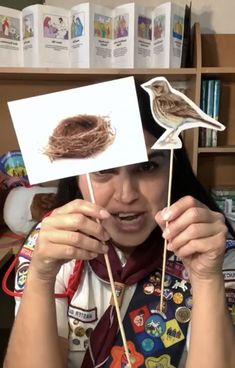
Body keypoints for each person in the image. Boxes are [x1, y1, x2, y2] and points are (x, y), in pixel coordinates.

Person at [3, 82, 235, 368]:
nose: (126, 195)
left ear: (173, 168)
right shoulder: (51, 245)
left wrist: (206, 279)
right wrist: (40, 276)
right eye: (103, 171)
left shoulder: (211, 247)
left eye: (147, 167)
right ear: (76, 176)